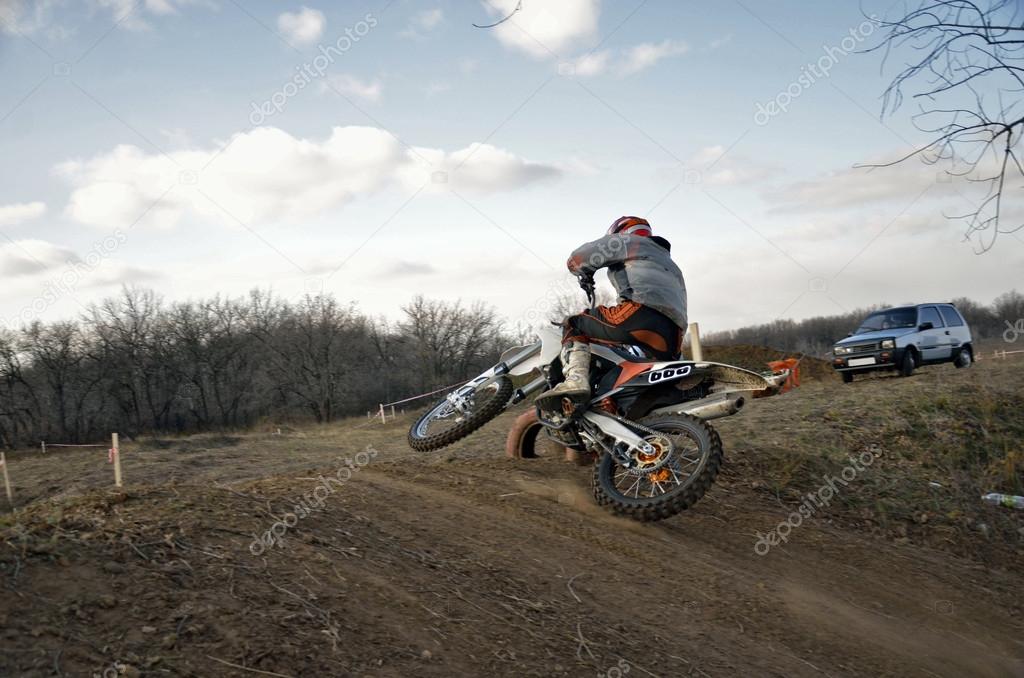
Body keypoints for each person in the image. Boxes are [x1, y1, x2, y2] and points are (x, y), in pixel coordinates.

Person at [538, 216, 688, 402]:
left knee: (574, 325)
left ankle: (575, 380)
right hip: (673, 335)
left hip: (639, 313)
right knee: (629, 369)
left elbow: (578, 259)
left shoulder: (626, 241)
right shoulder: (669, 263)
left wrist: (582, 270)